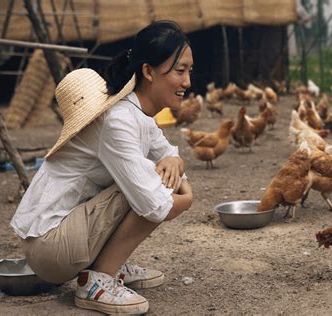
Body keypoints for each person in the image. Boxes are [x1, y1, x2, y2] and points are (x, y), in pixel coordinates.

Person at [10, 20, 194, 314]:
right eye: (180, 71)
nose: (187, 82)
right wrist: (186, 197)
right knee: (151, 184)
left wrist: (175, 159)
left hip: (64, 237)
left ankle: (110, 264)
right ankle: (98, 280)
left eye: (189, 71)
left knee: (151, 176)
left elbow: (169, 155)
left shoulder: (139, 115)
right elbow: (157, 203)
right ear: (148, 71)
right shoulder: (118, 121)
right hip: (51, 247)